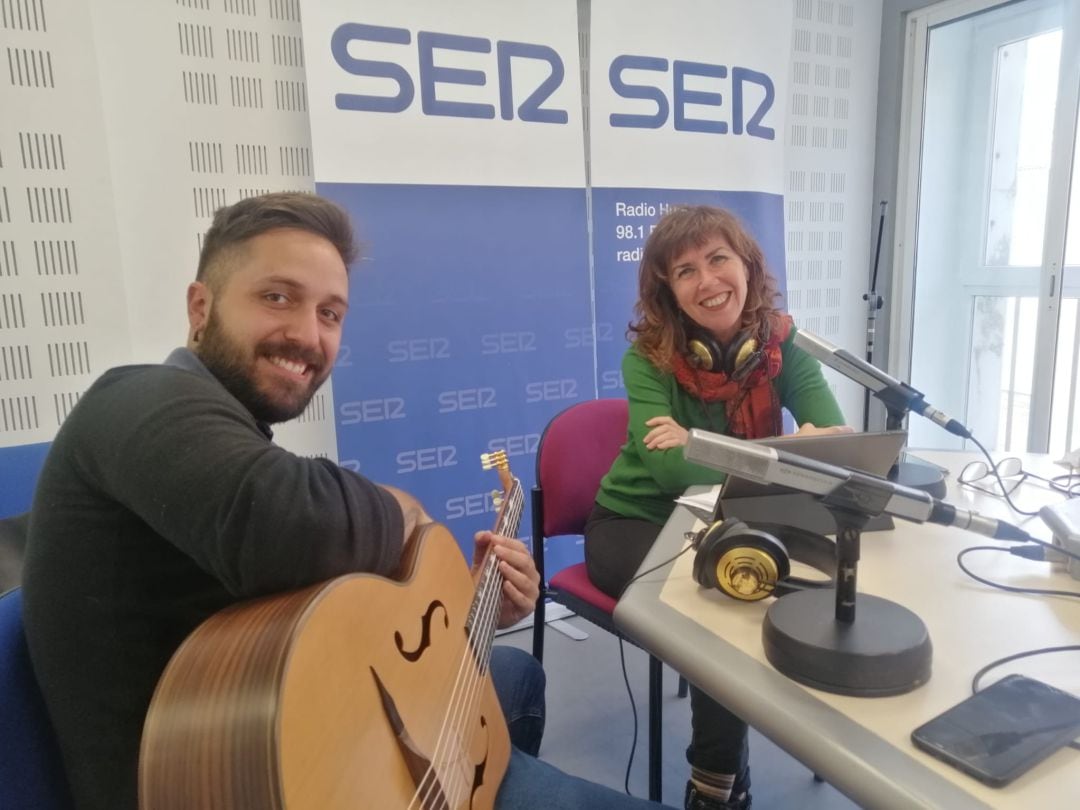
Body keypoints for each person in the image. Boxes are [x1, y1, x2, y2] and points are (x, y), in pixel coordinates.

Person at [22, 193, 668, 810]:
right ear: (200, 306)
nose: (308, 334)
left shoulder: (225, 445)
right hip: (245, 780)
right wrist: (407, 508)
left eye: (330, 313)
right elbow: (291, 524)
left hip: (305, 733)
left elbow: (305, 618)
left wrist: (472, 609)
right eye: (278, 297)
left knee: (510, 673)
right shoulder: (137, 399)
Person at [584, 205, 851, 810]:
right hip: (635, 521)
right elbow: (669, 470)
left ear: (747, 267)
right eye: (684, 271)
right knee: (721, 599)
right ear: (668, 293)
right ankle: (717, 786)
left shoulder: (783, 345)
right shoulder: (647, 361)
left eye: (718, 259)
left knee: (806, 576)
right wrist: (783, 455)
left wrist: (703, 446)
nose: (707, 281)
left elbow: (832, 447)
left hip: (732, 517)